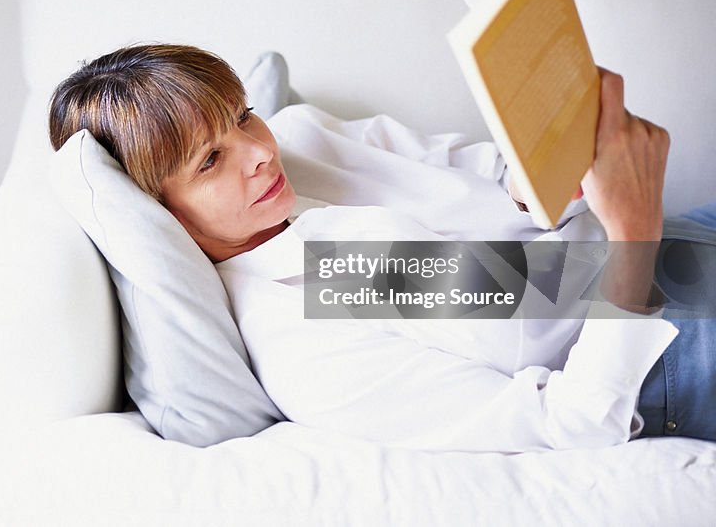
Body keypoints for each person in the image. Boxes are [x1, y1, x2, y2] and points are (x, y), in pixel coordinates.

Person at [49, 43, 716, 452]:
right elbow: (576, 423)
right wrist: (634, 228)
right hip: (658, 345)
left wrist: (560, 158)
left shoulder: (306, 140)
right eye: (209, 162)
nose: (257, 151)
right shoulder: (301, 338)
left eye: (243, 115)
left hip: (672, 234)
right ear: (162, 214)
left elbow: (485, 172)